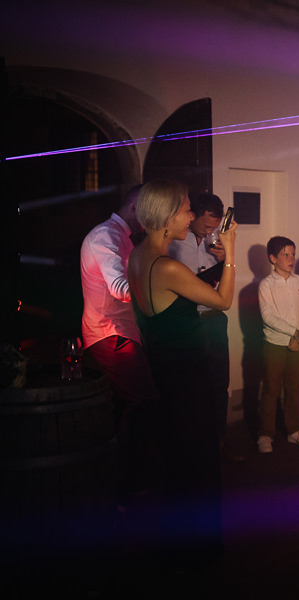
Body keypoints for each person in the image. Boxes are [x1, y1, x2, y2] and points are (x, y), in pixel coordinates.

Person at [127, 179, 237, 568]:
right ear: (167, 217)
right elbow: (223, 301)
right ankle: (200, 558)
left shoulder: (137, 256)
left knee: (178, 465)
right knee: (199, 465)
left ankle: (177, 548)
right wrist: (232, 253)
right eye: (187, 209)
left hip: (165, 375)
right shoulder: (169, 266)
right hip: (189, 379)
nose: (191, 215)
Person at [80, 183, 158, 504]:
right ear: (136, 207)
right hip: (110, 334)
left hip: (119, 333)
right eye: (150, 208)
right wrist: (161, 288)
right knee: (144, 403)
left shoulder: (121, 238)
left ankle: (119, 482)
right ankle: (128, 487)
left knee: (129, 406)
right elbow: (119, 287)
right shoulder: (106, 237)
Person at [168, 193, 239, 462]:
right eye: (207, 226)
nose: (211, 232)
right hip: (188, 321)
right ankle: (190, 448)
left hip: (214, 317)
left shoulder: (216, 242)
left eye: (214, 227)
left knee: (219, 383)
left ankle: (219, 441)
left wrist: (224, 260)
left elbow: (223, 284)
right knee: (190, 386)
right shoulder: (174, 243)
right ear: (193, 216)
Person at [257, 236, 299, 453]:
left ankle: (293, 430)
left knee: (294, 388)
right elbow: (268, 317)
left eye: (292, 254)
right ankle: (265, 434)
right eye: (285, 255)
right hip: (275, 344)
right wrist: (295, 333)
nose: (291, 259)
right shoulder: (266, 285)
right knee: (271, 389)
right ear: (273, 258)